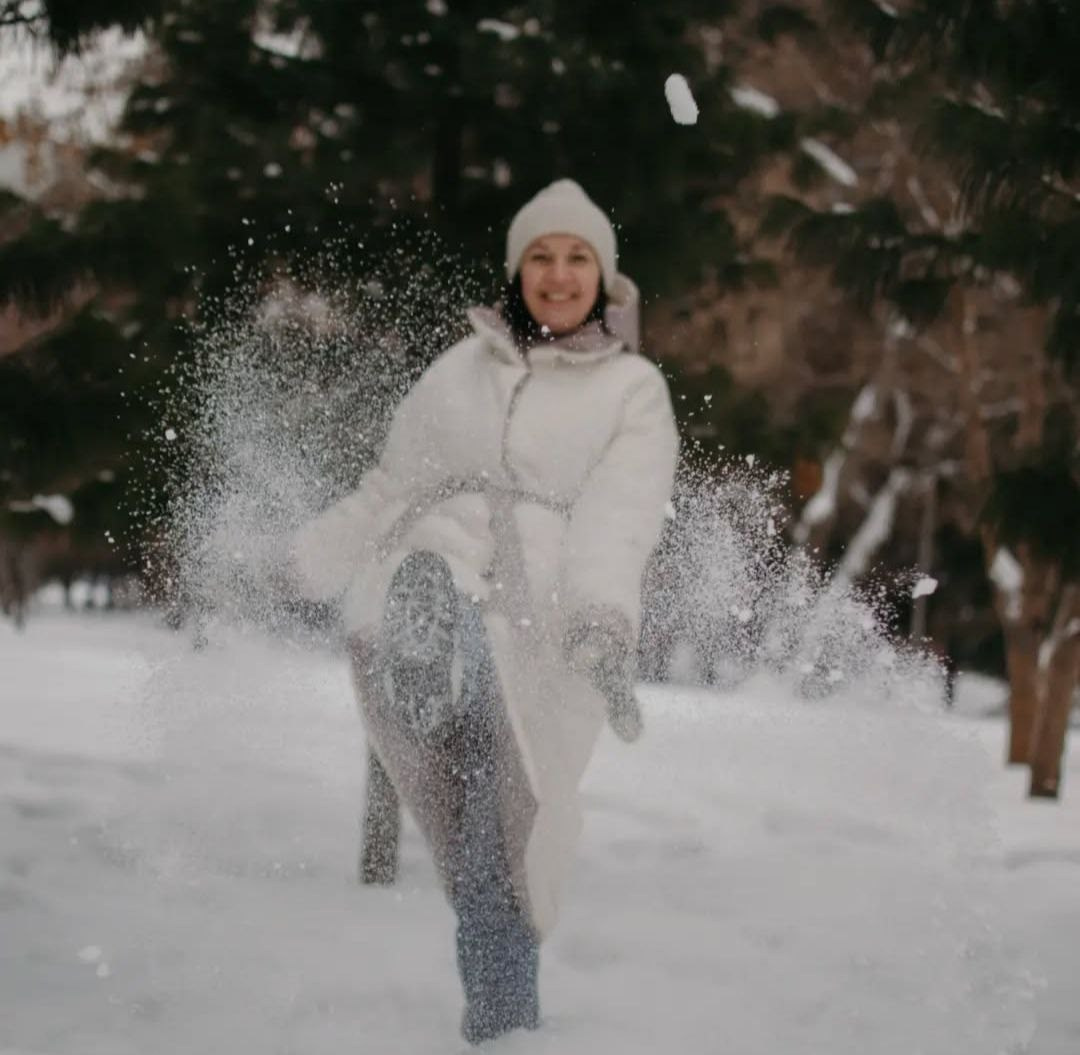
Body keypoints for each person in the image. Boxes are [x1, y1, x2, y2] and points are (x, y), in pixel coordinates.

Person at [290, 178, 679, 1045]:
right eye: (540, 254)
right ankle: (434, 653)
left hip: (545, 634)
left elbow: (618, 522)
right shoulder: (459, 369)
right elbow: (387, 486)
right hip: (424, 578)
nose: (558, 271)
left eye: (577, 256)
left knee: (496, 852)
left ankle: (501, 1027)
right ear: (517, 268)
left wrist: (601, 627)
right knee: (431, 583)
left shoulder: (633, 391)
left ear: (604, 277)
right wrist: (304, 560)